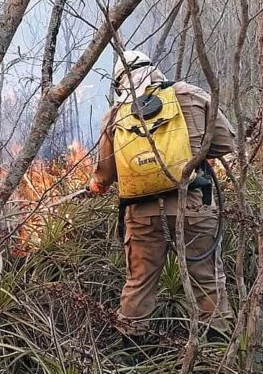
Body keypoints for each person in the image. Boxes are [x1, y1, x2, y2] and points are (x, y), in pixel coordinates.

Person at [88, 50, 236, 344]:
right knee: (206, 281)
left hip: (142, 216)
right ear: (155, 71)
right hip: (193, 206)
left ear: (119, 84)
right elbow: (225, 141)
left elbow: (105, 175)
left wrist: (98, 185)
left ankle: (129, 350)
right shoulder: (190, 95)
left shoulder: (115, 115)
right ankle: (218, 350)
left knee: (139, 283)